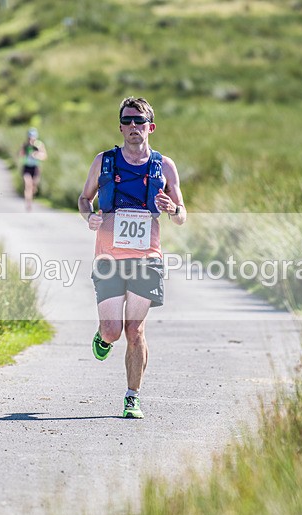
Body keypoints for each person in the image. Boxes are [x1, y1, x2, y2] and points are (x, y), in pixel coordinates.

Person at [78, 97, 186, 419]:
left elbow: (182, 215)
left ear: (150, 126)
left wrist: (173, 210)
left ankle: (131, 397)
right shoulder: (104, 162)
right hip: (108, 258)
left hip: (147, 258)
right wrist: (90, 217)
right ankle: (103, 336)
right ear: (121, 126)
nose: (133, 127)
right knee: (112, 331)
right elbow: (85, 199)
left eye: (140, 121)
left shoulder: (164, 166)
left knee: (135, 331)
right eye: (127, 121)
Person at [19, 127, 47, 211]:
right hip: (27, 167)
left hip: (35, 168)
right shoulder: (25, 145)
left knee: (33, 186)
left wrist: (36, 154)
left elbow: (44, 156)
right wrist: (24, 151)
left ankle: (32, 194)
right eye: (30, 137)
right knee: (28, 184)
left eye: (32, 137)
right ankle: (28, 203)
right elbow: (20, 155)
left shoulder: (39, 145)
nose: (31, 139)